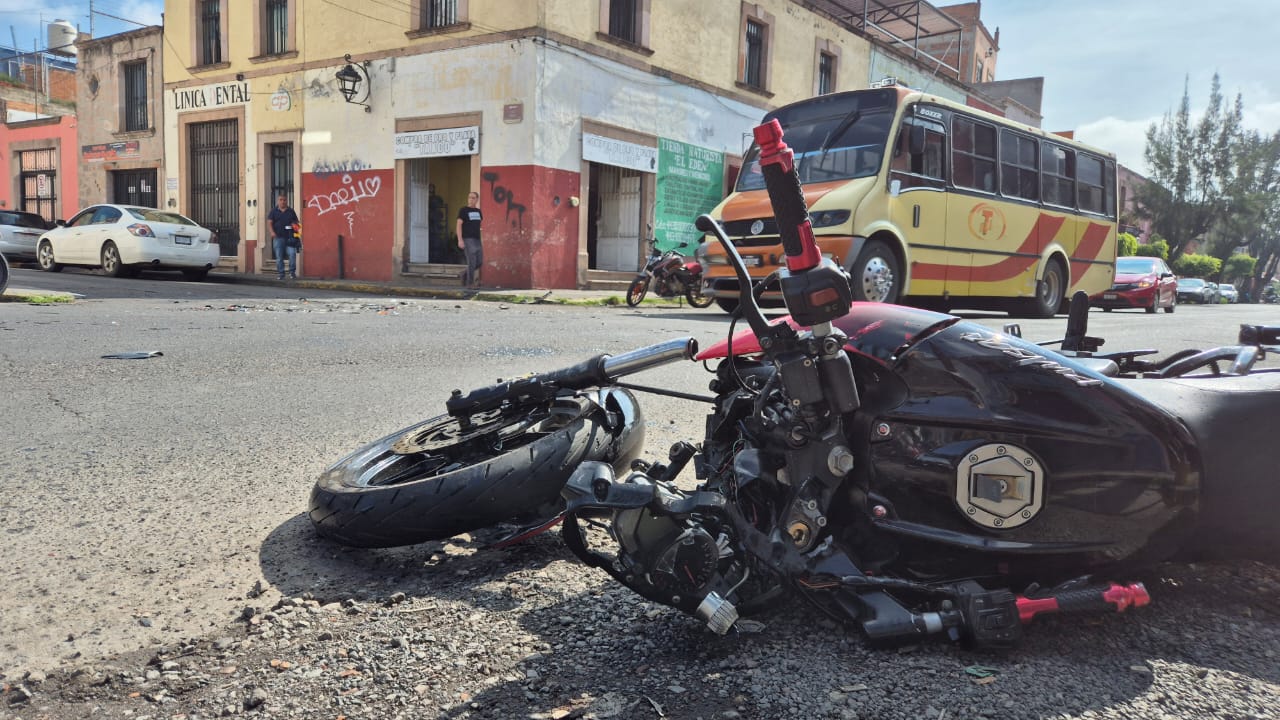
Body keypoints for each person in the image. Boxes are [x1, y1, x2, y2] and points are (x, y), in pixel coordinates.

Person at [267, 194, 300, 280]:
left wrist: (296, 231)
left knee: (292, 254)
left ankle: (292, 273)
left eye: (284, 200)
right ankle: (281, 274)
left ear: (286, 201)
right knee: (279, 257)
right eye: (281, 200)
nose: (282, 201)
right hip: (278, 237)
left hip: (290, 238)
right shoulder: (273, 211)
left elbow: (297, 224)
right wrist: (272, 232)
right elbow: (269, 223)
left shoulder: (291, 211)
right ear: (278, 201)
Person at [456, 191, 483, 288]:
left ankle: (464, 274)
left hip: (477, 239)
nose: (471, 199)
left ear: (477, 200)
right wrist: (460, 240)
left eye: (473, 198)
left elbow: (480, 225)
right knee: (471, 261)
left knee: (479, 262)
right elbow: (459, 225)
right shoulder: (464, 210)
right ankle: (470, 283)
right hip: (467, 239)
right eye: (469, 197)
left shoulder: (479, 211)